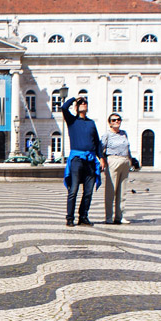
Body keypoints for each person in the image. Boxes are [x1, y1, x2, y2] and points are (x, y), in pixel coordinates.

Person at [61, 96, 102, 227]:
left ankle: (83, 216)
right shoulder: (72, 121)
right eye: (81, 103)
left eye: (85, 103)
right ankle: (69, 217)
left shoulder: (91, 123)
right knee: (73, 190)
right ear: (76, 107)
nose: (83, 104)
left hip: (90, 159)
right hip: (77, 159)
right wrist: (74, 98)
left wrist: (101, 158)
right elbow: (63, 107)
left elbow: (97, 141)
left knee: (88, 191)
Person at [101, 113, 132, 225]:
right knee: (111, 190)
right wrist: (103, 160)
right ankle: (109, 216)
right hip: (113, 160)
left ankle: (120, 215)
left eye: (118, 120)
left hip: (124, 160)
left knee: (122, 191)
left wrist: (130, 159)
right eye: (114, 120)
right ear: (109, 123)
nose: (116, 122)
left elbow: (128, 147)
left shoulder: (124, 134)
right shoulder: (107, 135)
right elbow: (101, 149)